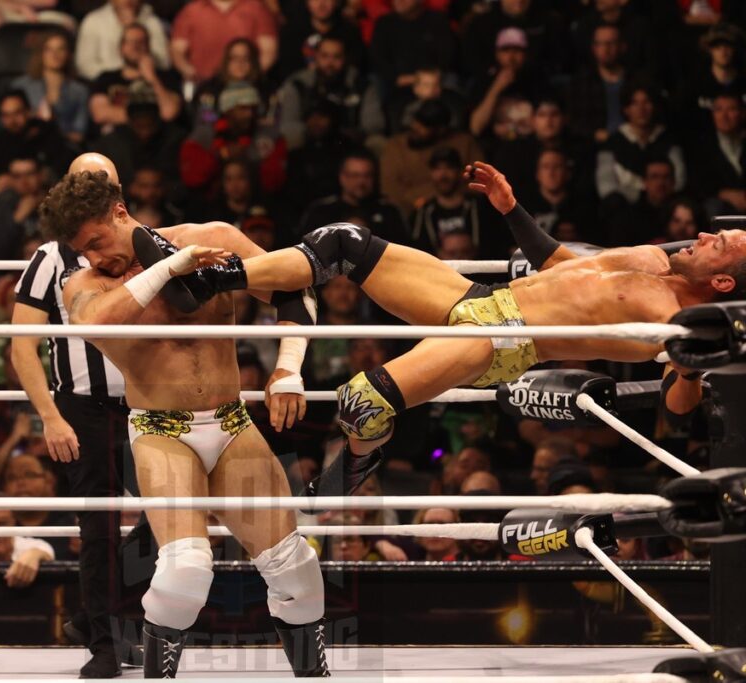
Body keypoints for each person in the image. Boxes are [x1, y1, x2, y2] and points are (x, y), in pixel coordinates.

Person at [189, 159, 737, 499]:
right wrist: (511, 208)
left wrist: (688, 368)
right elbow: (559, 263)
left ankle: (360, 458)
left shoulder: (675, 322)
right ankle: (213, 279)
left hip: (503, 338)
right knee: (343, 241)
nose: (707, 235)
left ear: (721, 285)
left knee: (359, 403)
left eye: (721, 245)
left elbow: (678, 406)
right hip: (482, 299)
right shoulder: (648, 256)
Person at [39, 169, 329, 677]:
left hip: (232, 420)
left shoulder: (214, 239)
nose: (94, 257)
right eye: (82, 250)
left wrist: (288, 368)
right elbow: (92, 326)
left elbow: (295, 285)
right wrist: (171, 268)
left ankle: (314, 675)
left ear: (121, 213)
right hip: (159, 430)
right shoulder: (86, 285)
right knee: (186, 571)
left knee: (296, 569)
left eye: (97, 241)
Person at [11, 153, 132, 678]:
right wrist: (49, 416)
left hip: (152, 405)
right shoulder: (50, 257)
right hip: (83, 408)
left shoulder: (143, 243)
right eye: (83, 183)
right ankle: (105, 642)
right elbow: (22, 345)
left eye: (101, 184)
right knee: (100, 527)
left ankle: (92, 616)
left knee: (177, 514)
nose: (93, 192)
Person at [170, 0, 279, 83]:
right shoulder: (191, 11)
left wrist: (250, 78)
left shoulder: (257, 9)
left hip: (245, 88)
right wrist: (191, 73)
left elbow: (269, 51)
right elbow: (177, 51)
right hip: (203, 87)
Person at [12, 32, 90, 145]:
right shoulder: (21, 86)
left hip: (64, 148)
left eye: (60, 49)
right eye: (49, 49)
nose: (55, 54)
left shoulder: (80, 91)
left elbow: (79, 132)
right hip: (27, 145)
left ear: (68, 54)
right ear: (40, 53)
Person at [76, 0, 171, 81]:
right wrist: (118, 76)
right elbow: (85, 64)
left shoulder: (152, 22)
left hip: (145, 82)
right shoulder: (93, 21)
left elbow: (163, 62)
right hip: (104, 85)